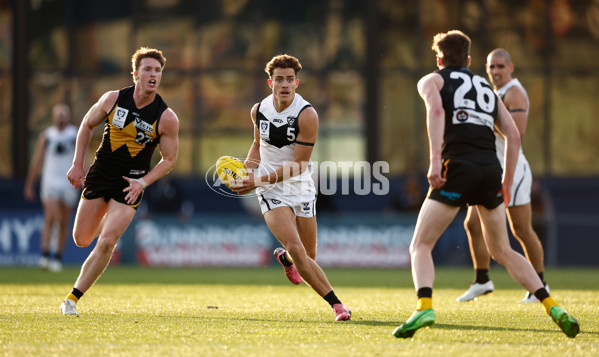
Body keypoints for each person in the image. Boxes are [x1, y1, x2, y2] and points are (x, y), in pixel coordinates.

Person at [392, 31, 578, 339]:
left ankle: (424, 305)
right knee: (503, 249)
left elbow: (437, 111)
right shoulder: (488, 89)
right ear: (468, 60)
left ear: (439, 59)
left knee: (421, 245)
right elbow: (514, 137)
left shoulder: (432, 81)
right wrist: (505, 181)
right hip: (490, 170)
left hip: (457, 167)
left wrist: (435, 161)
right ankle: (552, 305)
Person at [230, 54, 351, 321]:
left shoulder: (307, 114)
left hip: (299, 186)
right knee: (297, 248)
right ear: (269, 82)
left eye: (289, 79)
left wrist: (256, 179)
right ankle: (338, 305)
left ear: (297, 83)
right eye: (279, 79)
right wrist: (248, 170)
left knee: (308, 256)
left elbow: (299, 165)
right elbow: (257, 144)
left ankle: (286, 259)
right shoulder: (258, 110)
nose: (284, 84)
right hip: (271, 189)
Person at [60, 47, 180, 316]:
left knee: (107, 242)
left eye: (158, 70)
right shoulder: (113, 99)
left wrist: (143, 183)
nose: (153, 75)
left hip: (130, 185)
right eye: (148, 69)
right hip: (100, 175)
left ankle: (72, 299)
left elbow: (170, 159)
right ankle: (106, 218)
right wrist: (78, 163)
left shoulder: (167, 117)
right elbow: (86, 125)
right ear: (135, 74)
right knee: (81, 239)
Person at [457, 49, 549, 303]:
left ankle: (540, 284)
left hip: (513, 171)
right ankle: (482, 280)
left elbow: (516, 134)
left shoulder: (515, 92)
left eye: (499, 66)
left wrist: (479, 122)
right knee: (472, 224)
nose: (495, 72)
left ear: (511, 67)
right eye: (491, 67)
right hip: (489, 170)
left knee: (521, 229)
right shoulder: (492, 94)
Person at [24, 103, 79, 272]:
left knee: (63, 221)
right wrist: (29, 184)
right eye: (58, 114)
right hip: (50, 181)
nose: (61, 117)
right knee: (51, 216)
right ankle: (45, 254)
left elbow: (85, 156)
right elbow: (38, 160)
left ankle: (57, 257)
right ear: (53, 117)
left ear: (68, 117)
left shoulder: (74, 134)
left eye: (64, 114)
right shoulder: (47, 136)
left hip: (68, 181)